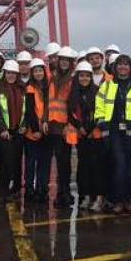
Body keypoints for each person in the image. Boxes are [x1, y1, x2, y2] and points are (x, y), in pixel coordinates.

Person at [95, 53, 131, 214]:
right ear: (115, 67)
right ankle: (118, 201)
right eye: (120, 64)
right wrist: (102, 124)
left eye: (126, 64)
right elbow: (99, 105)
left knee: (130, 167)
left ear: (130, 67)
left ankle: (130, 201)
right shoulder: (107, 85)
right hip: (114, 132)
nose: (123, 67)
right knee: (119, 165)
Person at [69, 61, 106, 212]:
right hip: (81, 136)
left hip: (95, 136)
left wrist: (88, 129)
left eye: (87, 76)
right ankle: (85, 196)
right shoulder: (73, 94)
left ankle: (97, 198)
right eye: (81, 75)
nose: (84, 78)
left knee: (96, 168)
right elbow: (70, 113)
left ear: (91, 77)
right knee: (83, 168)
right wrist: (80, 128)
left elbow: (99, 112)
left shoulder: (97, 91)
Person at [46, 46, 77, 208]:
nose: (64, 63)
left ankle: (66, 193)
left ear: (71, 63)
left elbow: (73, 105)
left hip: (66, 126)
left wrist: (69, 124)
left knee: (65, 160)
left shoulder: (73, 79)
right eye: (62, 60)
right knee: (59, 160)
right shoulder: (53, 78)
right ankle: (61, 193)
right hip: (53, 126)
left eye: (67, 60)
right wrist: (45, 120)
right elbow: (47, 101)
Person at [0, 60, 24, 200]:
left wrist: (24, 126)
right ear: (4, 74)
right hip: (5, 131)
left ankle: (16, 188)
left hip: (19, 131)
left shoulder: (22, 89)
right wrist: (2, 128)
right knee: (5, 161)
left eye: (13, 73)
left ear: (17, 74)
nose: (11, 75)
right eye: (8, 73)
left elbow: (27, 110)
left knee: (17, 161)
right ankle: (3, 189)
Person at [24, 58, 51, 203]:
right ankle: (29, 190)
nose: (38, 73)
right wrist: (35, 129)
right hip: (33, 132)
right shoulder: (30, 88)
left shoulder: (49, 88)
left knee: (44, 163)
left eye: (40, 70)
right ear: (32, 73)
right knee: (30, 163)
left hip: (47, 132)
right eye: (35, 71)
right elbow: (29, 111)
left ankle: (42, 190)